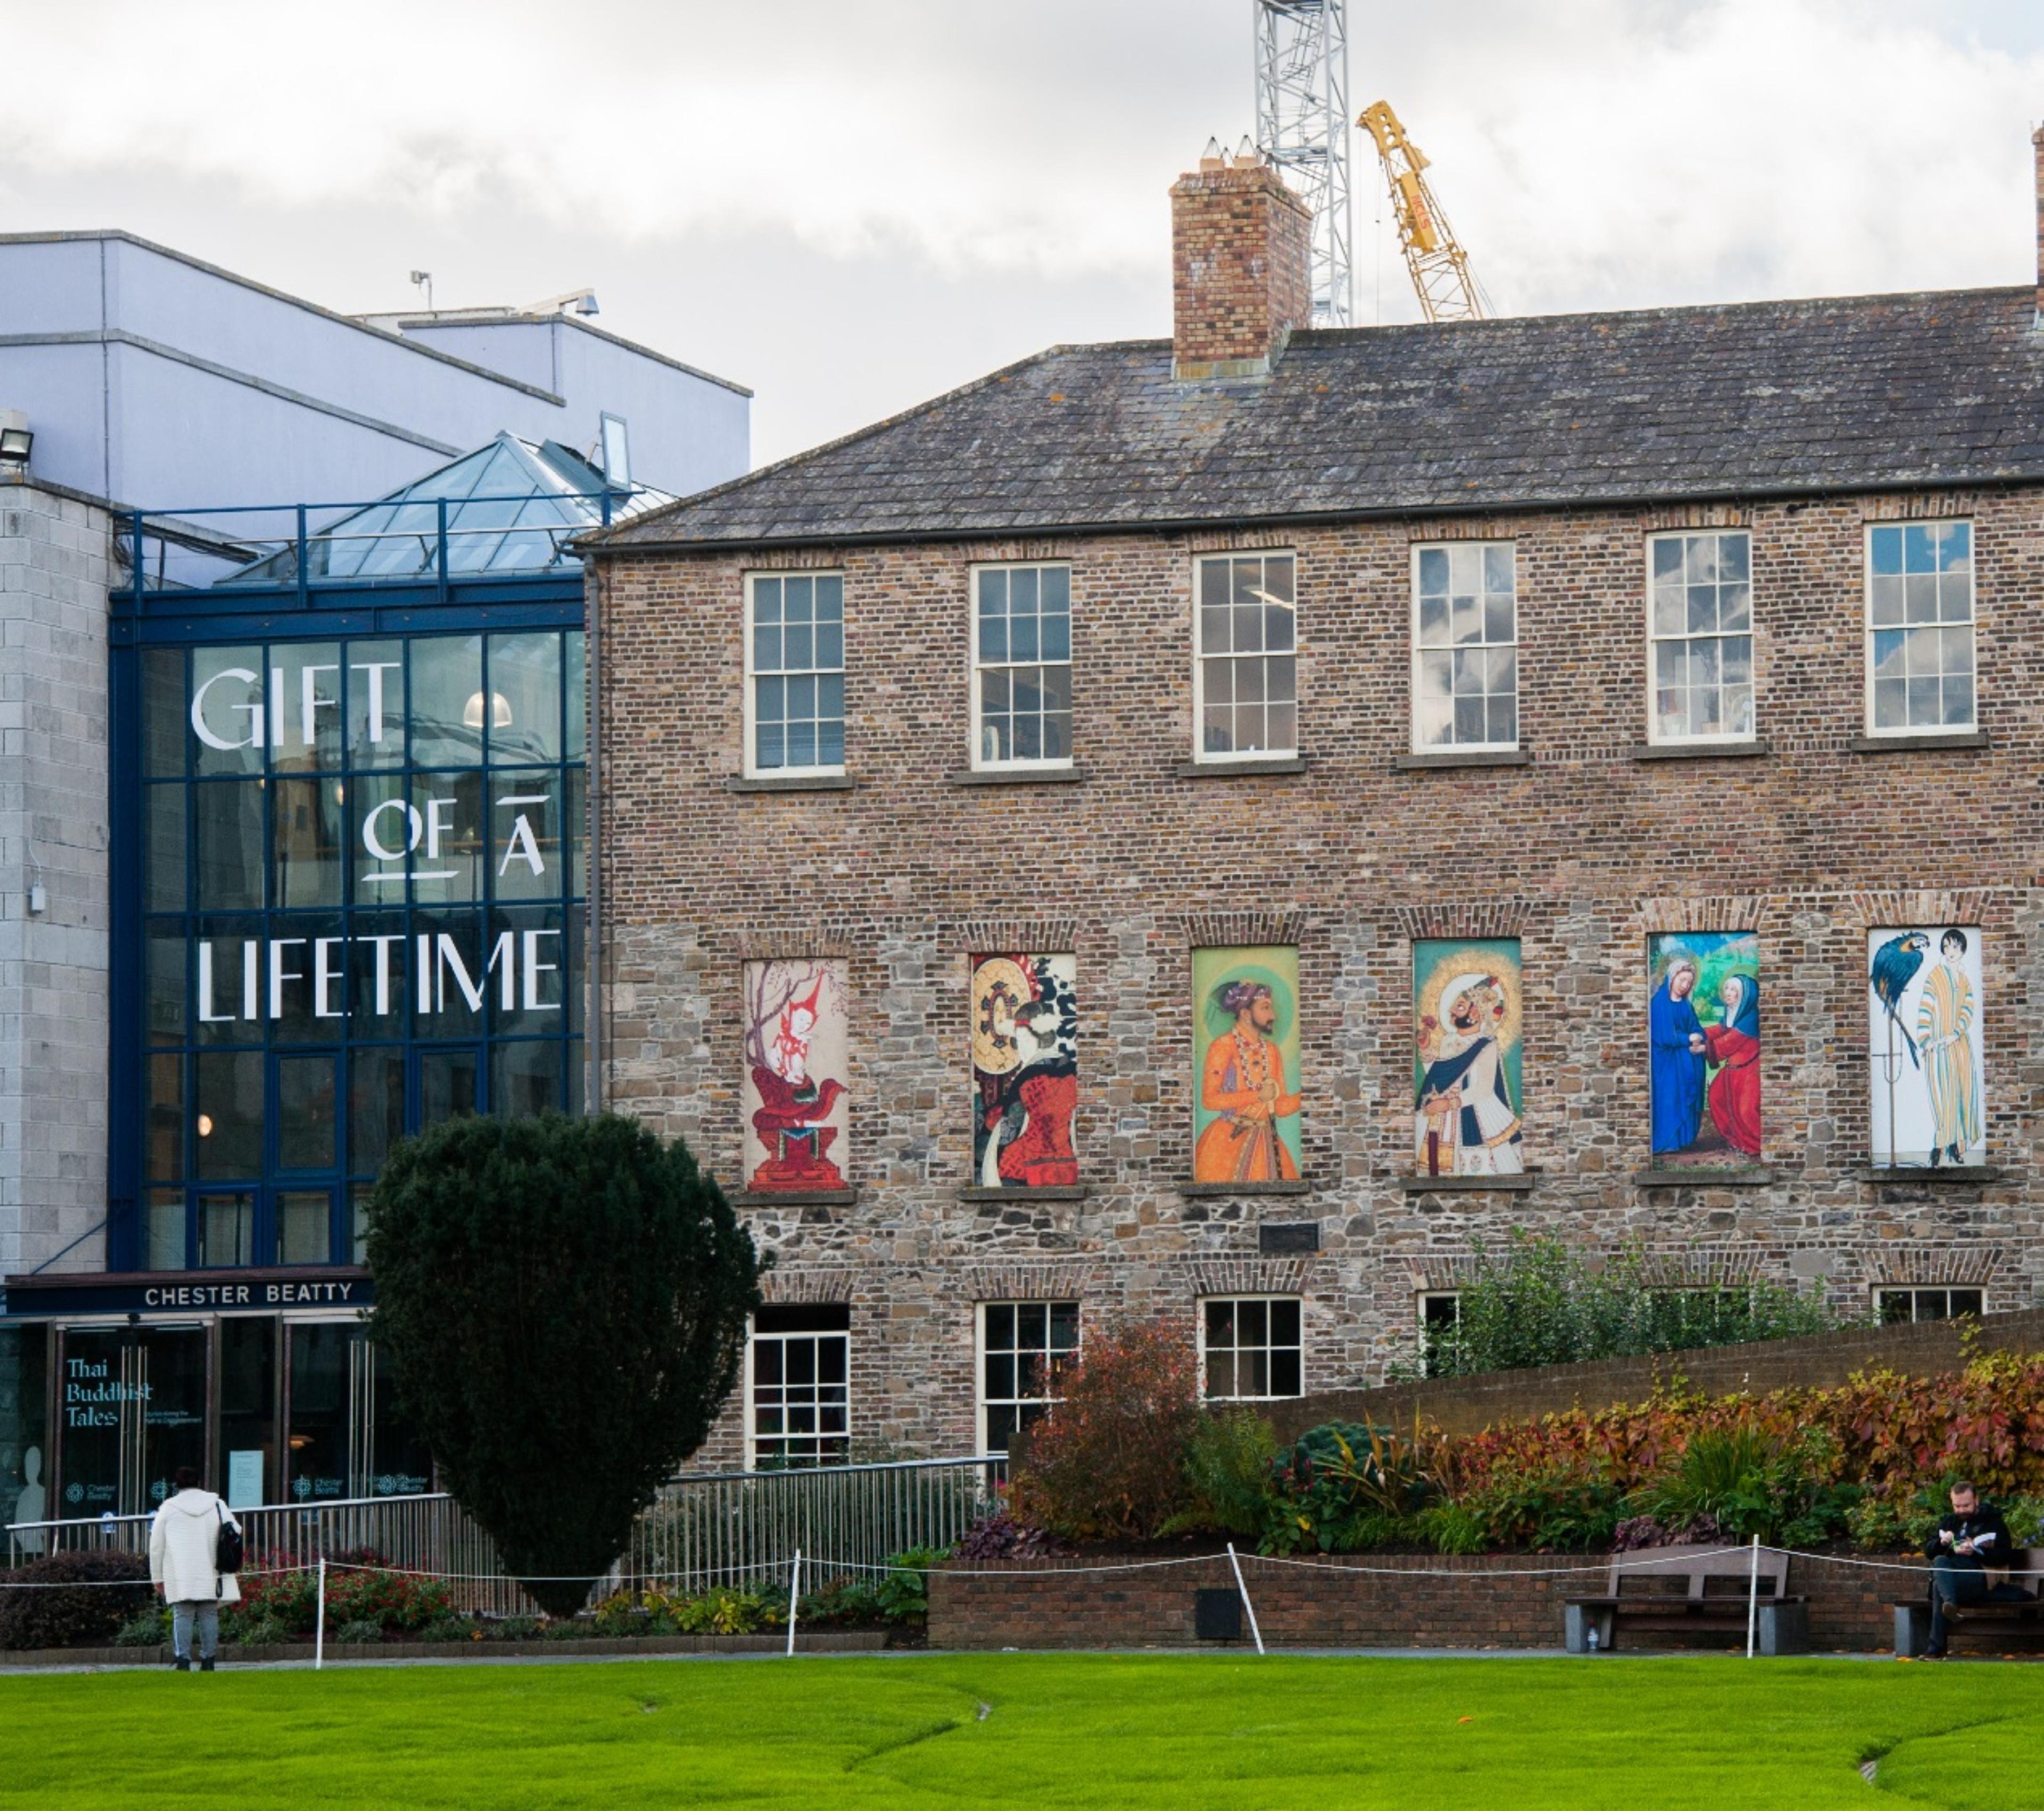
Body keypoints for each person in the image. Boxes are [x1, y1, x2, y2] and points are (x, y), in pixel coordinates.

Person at [1414, 972, 1523, 1176]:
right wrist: (1426, 1050)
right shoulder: (1448, 1041)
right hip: (1445, 1113)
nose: (1452, 1011)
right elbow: (1440, 1077)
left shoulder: (1486, 1045)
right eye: (1455, 1006)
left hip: (1476, 1109)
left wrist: (1450, 1104)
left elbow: (1484, 1087)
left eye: (1461, 1007)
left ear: (1476, 1014)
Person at [1194, 980, 1301, 1182]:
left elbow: (1279, 1107)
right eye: (1265, 1008)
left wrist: (1310, 1096)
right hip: (1227, 1140)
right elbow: (1209, 1100)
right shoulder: (1222, 1046)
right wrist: (1257, 1096)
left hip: (1266, 1142)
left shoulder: (1271, 1051)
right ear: (1245, 1013)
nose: (1273, 1016)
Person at [1917, 1479, 2027, 1658]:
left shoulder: (1994, 1523)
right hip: (1954, 1579)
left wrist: (1976, 1551)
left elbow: (2006, 1555)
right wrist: (1942, 1543)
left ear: (1976, 1500)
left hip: (1980, 1577)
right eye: (1957, 1506)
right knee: (1939, 1562)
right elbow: (1929, 1551)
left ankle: (1935, 1649)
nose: (1961, 1510)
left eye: (1966, 1505)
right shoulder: (1949, 1522)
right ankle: (1950, 1604)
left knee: (1940, 1586)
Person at [149, 1465, 241, 1672]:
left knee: (182, 1615)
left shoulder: (169, 1508)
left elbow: (156, 1546)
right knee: (209, 1614)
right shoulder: (216, 1504)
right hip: (211, 1568)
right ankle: (209, 1660)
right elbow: (235, 1530)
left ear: (177, 1484)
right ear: (199, 1482)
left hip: (180, 1572)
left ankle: (183, 1660)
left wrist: (157, 1578)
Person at [1917, 929, 1981, 1168]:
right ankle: (1938, 1148)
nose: (1950, 951)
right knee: (1943, 1098)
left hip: (1960, 1046)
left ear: (1963, 950)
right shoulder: (1935, 977)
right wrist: (1926, 1040)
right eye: (1946, 946)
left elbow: (1968, 1009)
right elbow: (1926, 1007)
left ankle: (1955, 1147)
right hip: (1938, 1047)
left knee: (1962, 1095)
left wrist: (1956, 1033)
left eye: (1955, 946)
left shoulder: (1965, 981)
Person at [1650, 957, 1708, 1155]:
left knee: (1686, 1094)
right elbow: (1663, 1037)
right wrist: (1687, 1040)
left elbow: (1696, 1027)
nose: (1685, 986)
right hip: (1666, 1063)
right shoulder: (1659, 1003)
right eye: (1682, 980)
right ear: (1672, 977)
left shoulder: (1686, 1005)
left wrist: (1700, 1038)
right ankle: (1669, 1141)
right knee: (1670, 1100)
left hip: (1684, 1060)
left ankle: (1685, 1140)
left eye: (1689, 983)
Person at [1703, 973, 1762, 1157]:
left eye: (1734, 990)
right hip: (1733, 1070)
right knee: (1716, 1097)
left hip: (1749, 1071)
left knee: (1746, 1111)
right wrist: (1696, 1031)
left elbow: (1729, 1042)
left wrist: (1703, 1048)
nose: (1728, 993)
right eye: (1727, 988)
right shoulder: (1734, 1012)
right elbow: (1720, 1029)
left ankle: (1756, 1146)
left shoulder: (1751, 1018)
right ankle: (1736, 1140)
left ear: (1745, 996)